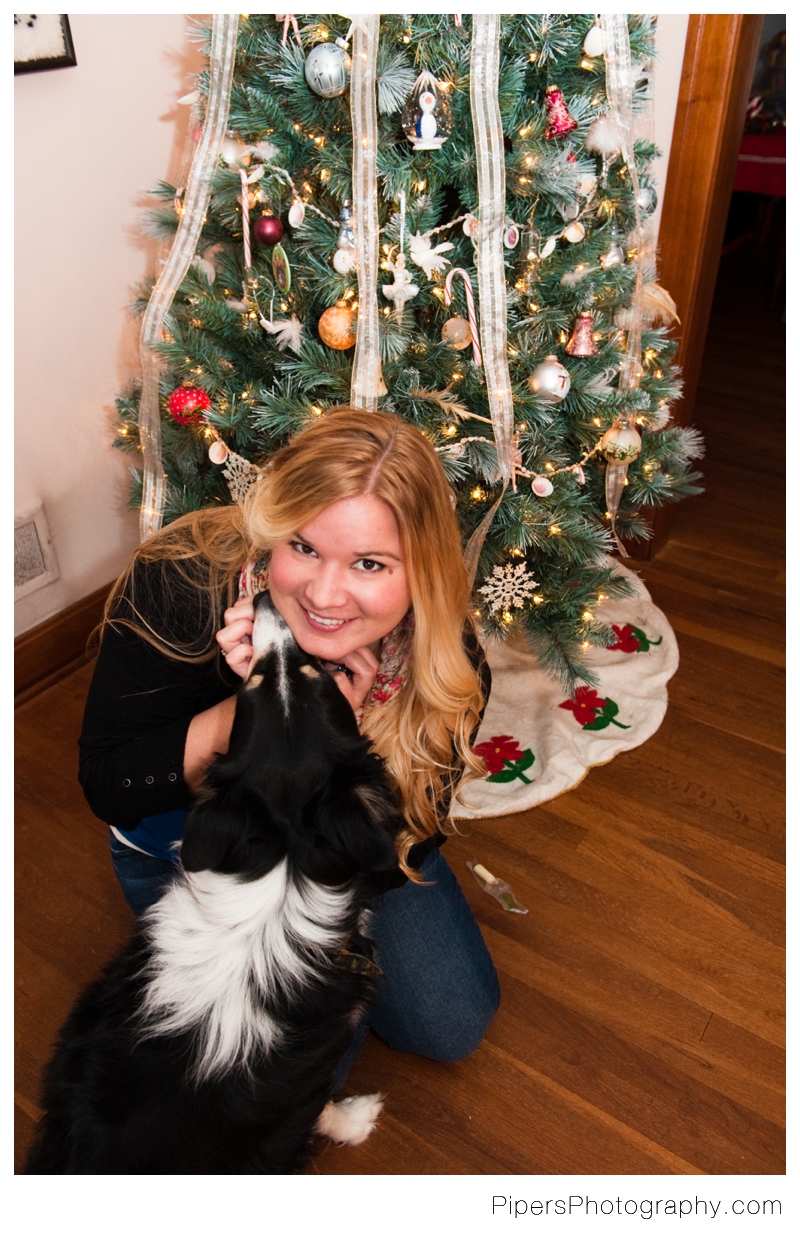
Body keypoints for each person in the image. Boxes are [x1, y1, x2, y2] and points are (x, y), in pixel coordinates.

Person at [79, 407, 500, 1073]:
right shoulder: (179, 581)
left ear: (422, 570)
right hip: (184, 851)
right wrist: (248, 716)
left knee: (452, 1023)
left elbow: (409, 840)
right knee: (281, 1069)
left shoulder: (447, 659)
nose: (325, 594)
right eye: (303, 547)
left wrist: (334, 750)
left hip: (349, 855)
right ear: (271, 530)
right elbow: (108, 783)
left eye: (370, 562)